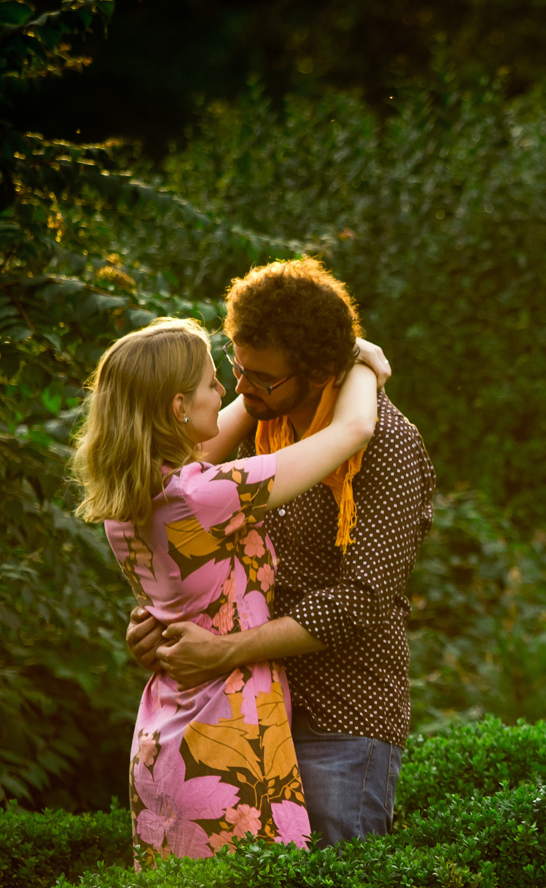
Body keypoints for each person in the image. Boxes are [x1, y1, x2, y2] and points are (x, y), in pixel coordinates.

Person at [125, 259, 434, 847]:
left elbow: (357, 603)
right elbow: (184, 534)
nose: (240, 389)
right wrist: (162, 621)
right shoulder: (267, 427)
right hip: (247, 712)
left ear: (318, 372)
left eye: (260, 379)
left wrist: (220, 651)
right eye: (237, 368)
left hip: (340, 717)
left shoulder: (389, 445)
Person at [73, 316, 379, 864]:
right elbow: (353, 430)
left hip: (164, 733)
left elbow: (223, 427)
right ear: (177, 406)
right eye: (214, 381)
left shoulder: (134, 499)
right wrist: (356, 358)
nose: (228, 392)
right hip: (228, 731)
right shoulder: (206, 495)